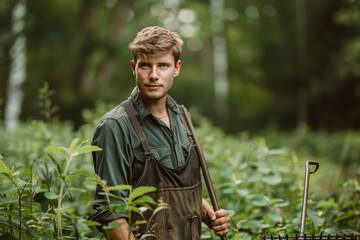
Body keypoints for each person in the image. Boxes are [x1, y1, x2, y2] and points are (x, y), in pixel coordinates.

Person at [89, 26, 230, 240]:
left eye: (163, 65)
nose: (154, 75)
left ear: (176, 68)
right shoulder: (115, 126)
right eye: (146, 65)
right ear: (133, 67)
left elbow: (176, 188)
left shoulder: (182, 116)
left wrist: (209, 215)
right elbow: (110, 213)